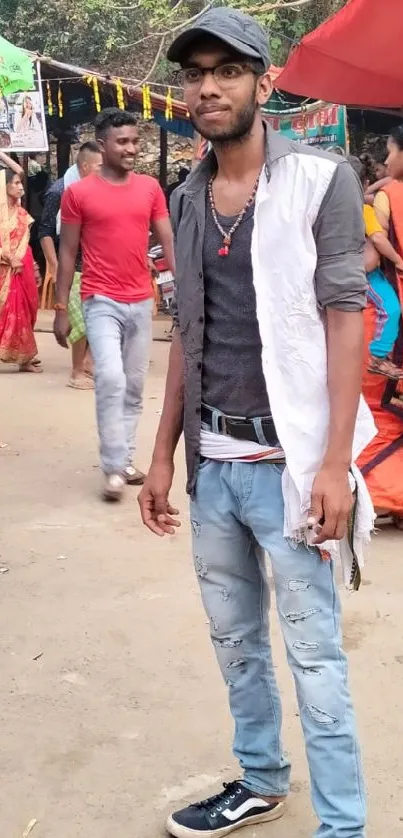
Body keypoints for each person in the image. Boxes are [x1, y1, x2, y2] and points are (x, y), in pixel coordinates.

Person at [139, 9, 376, 838]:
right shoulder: (188, 196)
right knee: (235, 640)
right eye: (194, 73)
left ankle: (342, 825)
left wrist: (332, 464)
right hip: (213, 466)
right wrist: (163, 455)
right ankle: (261, 779)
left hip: (290, 463)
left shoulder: (322, 179)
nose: (207, 86)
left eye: (226, 71)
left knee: (313, 655)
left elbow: (345, 317)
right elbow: (188, 335)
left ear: (262, 84)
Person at [54, 108, 175, 500]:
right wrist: (59, 309)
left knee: (135, 386)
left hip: (140, 300)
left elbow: (167, 240)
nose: (131, 148)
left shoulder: (150, 189)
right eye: (122, 142)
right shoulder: (79, 193)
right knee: (111, 378)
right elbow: (68, 251)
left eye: (135, 141)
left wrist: (185, 289)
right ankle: (112, 467)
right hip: (99, 298)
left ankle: (123, 461)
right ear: (102, 145)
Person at [39, 141, 102, 388]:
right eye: (100, 166)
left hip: (95, 262)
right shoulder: (60, 191)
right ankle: (77, 371)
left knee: (99, 316)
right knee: (80, 320)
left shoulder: (100, 188)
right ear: (85, 166)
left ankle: (89, 362)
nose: (104, 169)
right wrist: (54, 266)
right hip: (73, 265)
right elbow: (45, 231)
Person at [348, 155, 403, 379]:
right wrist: (399, 261)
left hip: (363, 272)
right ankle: (378, 357)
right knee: (390, 309)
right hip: (365, 275)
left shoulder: (338, 210)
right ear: (365, 184)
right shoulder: (363, 210)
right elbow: (379, 240)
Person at [0, 169, 41, 372]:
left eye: (20, 183)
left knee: (25, 311)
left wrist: (34, 268)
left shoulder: (23, 214)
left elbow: (27, 246)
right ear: (4, 186)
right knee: (6, 314)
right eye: (16, 183)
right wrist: (6, 256)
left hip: (22, 271)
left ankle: (24, 358)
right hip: (4, 271)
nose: (21, 187)